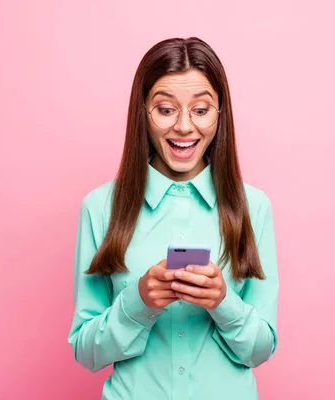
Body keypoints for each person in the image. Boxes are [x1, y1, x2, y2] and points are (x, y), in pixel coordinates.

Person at [67, 37, 279, 400]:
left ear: (220, 113)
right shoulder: (100, 207)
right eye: (166, 109)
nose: (184, 127)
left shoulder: (253, 207)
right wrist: (138, 302)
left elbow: (260, 351)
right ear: (143, 113)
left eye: (200, 110)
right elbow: (86, 353)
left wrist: (223, 302)